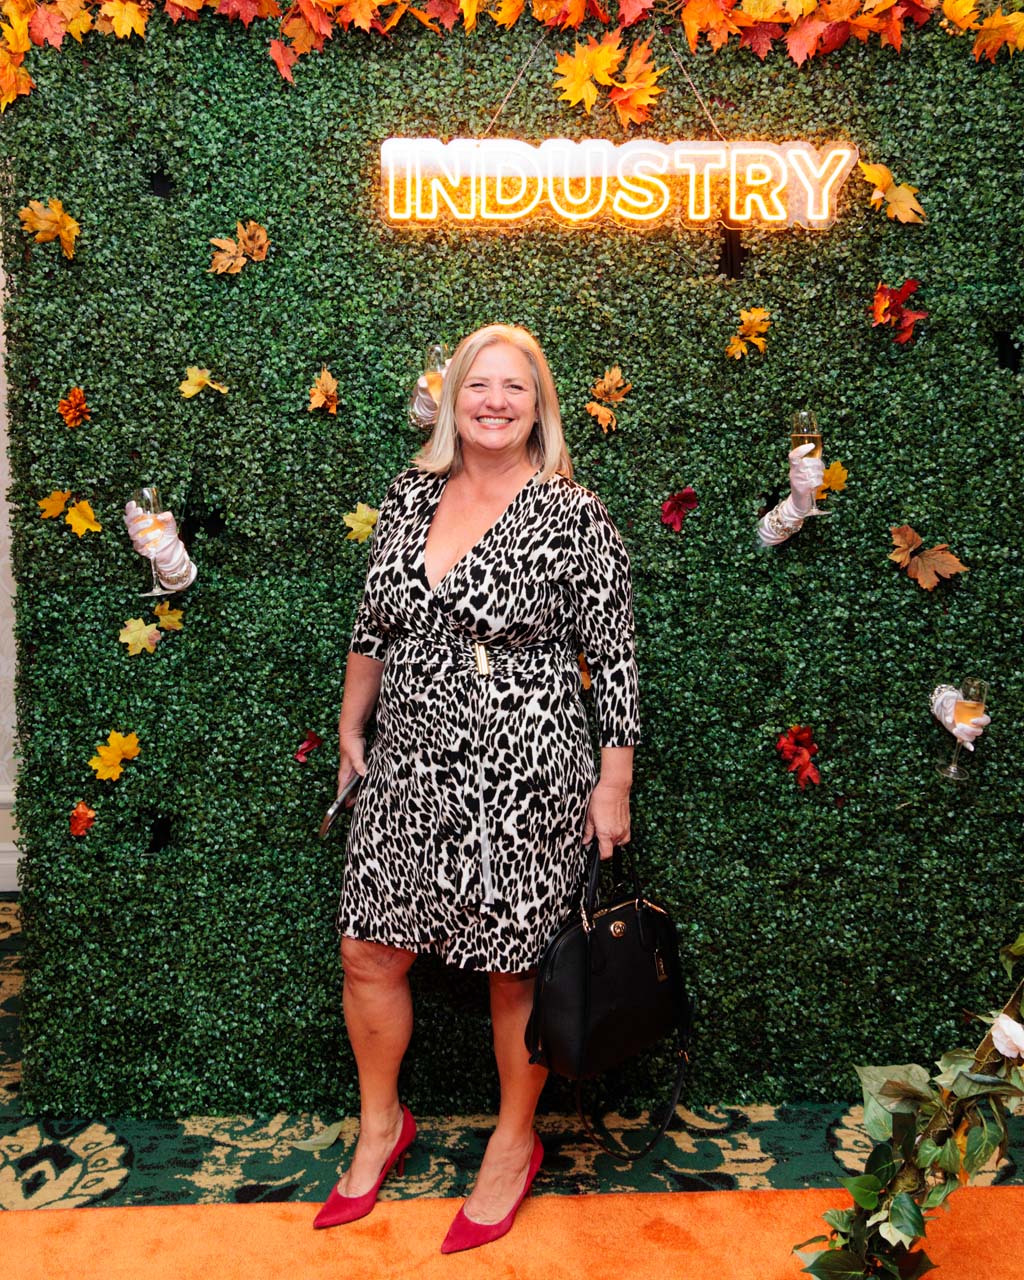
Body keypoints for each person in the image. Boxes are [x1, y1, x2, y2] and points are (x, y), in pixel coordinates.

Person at [316, 324, 640, 1252]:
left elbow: (615, 657)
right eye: (478, 386)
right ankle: (382, 1124)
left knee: (515, 969)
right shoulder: (409, 493)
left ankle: (512, 1142)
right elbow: (374, 623)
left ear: (539, 406)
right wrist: (351, 725)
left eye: (514, 388)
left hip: (527, 765)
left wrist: (612, 783)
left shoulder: (575, 512)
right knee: (368, 950)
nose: (494, 402)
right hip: (409, 757)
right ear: (453, 399)